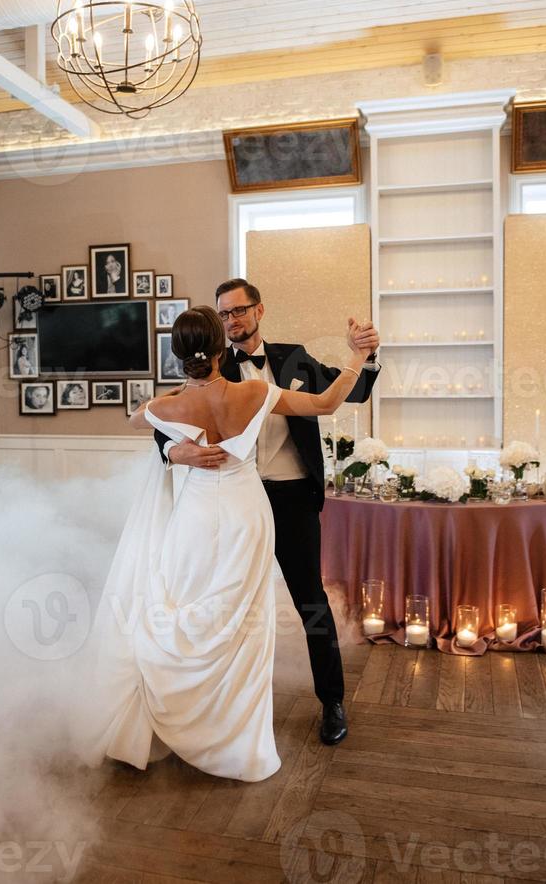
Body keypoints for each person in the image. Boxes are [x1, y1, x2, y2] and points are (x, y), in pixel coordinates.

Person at [81, 306, 373, 781]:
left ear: (177, 355)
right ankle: (234, 733)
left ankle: (196, 712)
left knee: (186, 608)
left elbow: (137, 420)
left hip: (210, 514)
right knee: (245, 620)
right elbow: (326, 404)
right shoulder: (254, 392)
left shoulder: (166, 405)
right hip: (246, 513)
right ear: (222, 348)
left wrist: (177, 413)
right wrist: (357, 358)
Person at [154, 279, 380, 746]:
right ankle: (219, 706)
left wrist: (365, 355)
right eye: (223, 314)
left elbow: (345, 395)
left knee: (310, 601)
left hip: (293, 497)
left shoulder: (293, 357)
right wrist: (176, 454)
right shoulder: (210, 367)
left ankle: (332, 701)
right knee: (223, 603)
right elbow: (165, 420)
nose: (232, 320)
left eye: (239, 311)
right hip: (235, 502)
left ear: (260, 311)